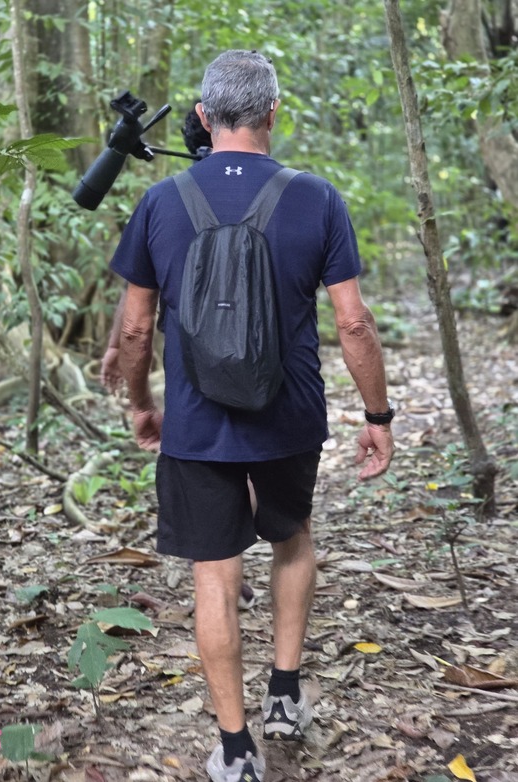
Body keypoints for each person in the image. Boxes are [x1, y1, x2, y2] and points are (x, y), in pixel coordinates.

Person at [110, 50, 395, 782]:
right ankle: (285, 694)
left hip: (198, 423)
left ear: (203, 118)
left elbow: (136, 329)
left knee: (215, 570)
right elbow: (354, 325)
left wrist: (145, 404)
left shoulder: (162, 201)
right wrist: (378, 413)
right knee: (293, 537)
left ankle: (236, 748)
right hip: (289, 412)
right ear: (274, 114)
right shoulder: (317, 198)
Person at [100, 104, 212, 393]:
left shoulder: (162, 202)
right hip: (282, 404)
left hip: (190, 396)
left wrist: (140, 403)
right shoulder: (300, 197)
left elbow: (136, 321)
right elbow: (348, 322)